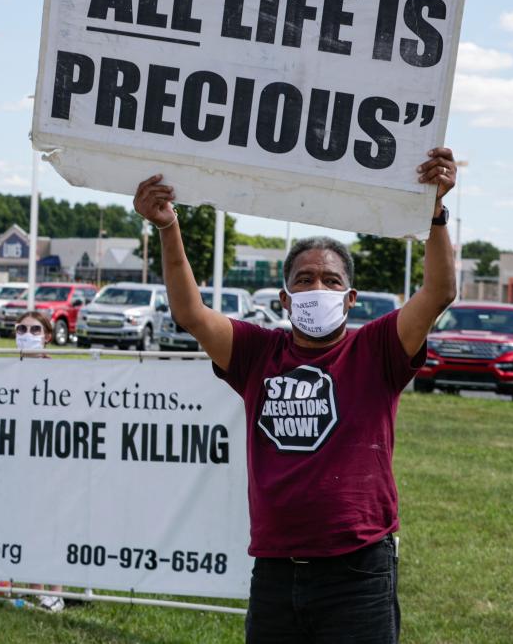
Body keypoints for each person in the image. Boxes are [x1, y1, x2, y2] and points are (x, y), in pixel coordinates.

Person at [133, 148, 458, 643]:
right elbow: (191, 314)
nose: (317, 288)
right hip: (276, 570)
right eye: (304, 280)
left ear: (351, 299)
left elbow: (438, 292)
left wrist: (435, 212)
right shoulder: (257, 353)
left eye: (331, 280)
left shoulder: (377, 350)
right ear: (285, 299)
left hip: (358, 571)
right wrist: (167, 227)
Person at [13, 311, 66, 613]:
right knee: (26, 523)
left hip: (50, 462)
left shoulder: (60, 372)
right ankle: (34, 591)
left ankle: (55, 593)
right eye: (21, 328)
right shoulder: (6, 369)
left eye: (35, 329)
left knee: (52, 526)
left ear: (47, 336)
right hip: (17, 461)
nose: (27, 333)